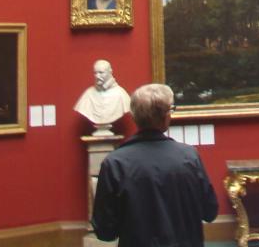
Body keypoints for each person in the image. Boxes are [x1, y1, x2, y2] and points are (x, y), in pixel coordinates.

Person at [91, 83, 218, 246]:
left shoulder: (115, 164)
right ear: (166, 117)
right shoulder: (189, 157)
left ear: (133, 117)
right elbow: (210, 212)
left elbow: (105, 231)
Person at [74, 59, 130, 135]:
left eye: (101, 73)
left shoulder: (121, 94)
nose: (97, 76)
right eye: (95, 73)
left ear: (110, 72)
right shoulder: (88, 94)